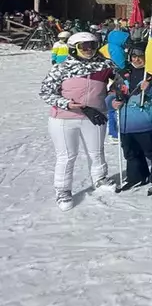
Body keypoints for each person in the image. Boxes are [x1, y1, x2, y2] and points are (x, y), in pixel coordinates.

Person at [39, 32, 116, 211]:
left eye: (92, 46)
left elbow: (117, 82)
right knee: (67, 156)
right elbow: (45, 92)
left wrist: (115, 92)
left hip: (95, 115)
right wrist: (67, 104)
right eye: (83, 47)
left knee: (96, 152)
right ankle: (63, 190)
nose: (88, 50)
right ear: (74, 49)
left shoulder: (104, 65)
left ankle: (100, 179)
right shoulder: (62, 68)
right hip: (65, 118)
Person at [108, 42, 152, 195]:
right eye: (134, 56)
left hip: (146, 120)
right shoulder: (122, 73)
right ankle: (137, 176)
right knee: (131, 152)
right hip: (125, 121)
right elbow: (113, 93)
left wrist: (150, 88)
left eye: (141, 57)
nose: (136, 60)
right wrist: (113, 102)